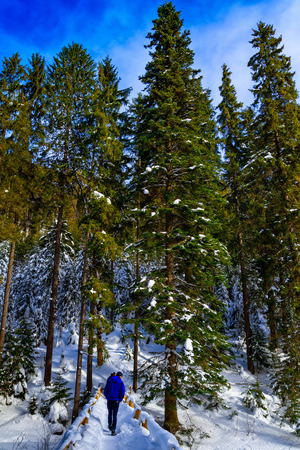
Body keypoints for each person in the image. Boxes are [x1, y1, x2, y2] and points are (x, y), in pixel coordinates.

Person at [103, 371, 125, 435]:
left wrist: (107, 397)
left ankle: (109, 425)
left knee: (110, 413)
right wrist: (120, 399)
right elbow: (122, 392)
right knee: (114, 414)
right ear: (120, 376)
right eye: (121, 377)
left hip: (109, 399)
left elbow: (106, 390)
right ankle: (113, 429)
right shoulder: (120, 383)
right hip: (116, 400)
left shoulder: (110, 381)